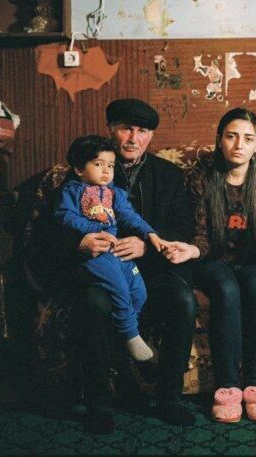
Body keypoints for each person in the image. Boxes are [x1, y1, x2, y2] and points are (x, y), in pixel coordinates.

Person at [73, 99, 198, 432]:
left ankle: (169, 398)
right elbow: (55, 224)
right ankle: (99, 404)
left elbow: (184, 226)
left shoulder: (169, 175)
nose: (133, 138)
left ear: (150, 136)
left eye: (142, 131)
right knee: (94, 303)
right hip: (103, 270)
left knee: (182, 300)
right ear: (111, 130)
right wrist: (80, 242)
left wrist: (146, 246)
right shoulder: (88, 168)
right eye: (126, 128)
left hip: (153, 268)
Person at [159, 108, 256, 424]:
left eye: (248, 139)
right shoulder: (201, 178)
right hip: (210, 260)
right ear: (219, 139)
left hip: (252, 260)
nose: (239, 145)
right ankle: (227, 387)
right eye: (231, 136)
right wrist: (192, 250)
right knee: (227, 289)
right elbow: (200, 233)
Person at [54, 135, 163, 363]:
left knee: (139, 290)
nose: (106, 171)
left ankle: (128, 334)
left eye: (111, 165)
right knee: (120, 289)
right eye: (98, 164)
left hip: (115, 248)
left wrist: (149, 232)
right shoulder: (72, 191)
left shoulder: (115, 193)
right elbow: (65, 216)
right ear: (79, 169)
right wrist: (93, 228)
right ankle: (130, 334)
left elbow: (129, 215)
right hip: (96, 254)